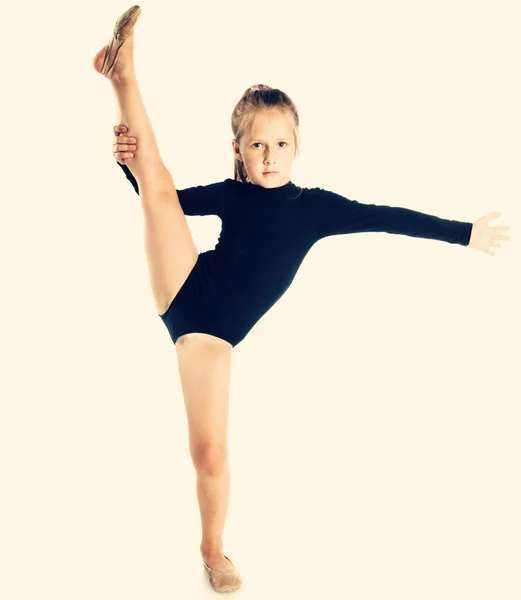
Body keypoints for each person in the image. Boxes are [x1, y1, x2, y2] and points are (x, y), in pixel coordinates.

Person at [93, 5, 510, 594]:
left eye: (281, 143)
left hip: (214, 338)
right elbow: (162, 198)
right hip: (186, 289)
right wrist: (126, 167)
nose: (269, 156)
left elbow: (386, 217)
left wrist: (464, 232)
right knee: (155, 182)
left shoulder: (315, 209)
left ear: (297, 146)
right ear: (238, 148)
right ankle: (121, 74)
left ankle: (212, 549)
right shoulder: (233, 194)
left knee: (210, 452)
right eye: (257, 145)